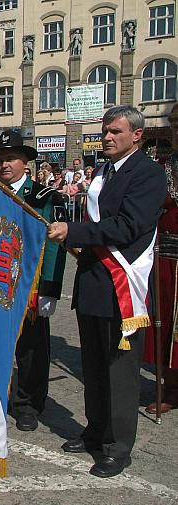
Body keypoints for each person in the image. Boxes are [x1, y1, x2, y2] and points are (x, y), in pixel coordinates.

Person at [48, 105, 166, 478]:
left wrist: (75, 232)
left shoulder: (147, 174)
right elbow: (95, 220)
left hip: (123, 285)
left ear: (137, 135)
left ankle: (118, 446)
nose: (108, 137)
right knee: (95, 365)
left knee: (120, 371)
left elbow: (128, 226)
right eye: (105, 131)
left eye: (115, 131)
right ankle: (96, 429)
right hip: (95, 281)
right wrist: (78, 242)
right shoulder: (103, 170)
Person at [0, 130, 67, 432]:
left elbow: (54, 245)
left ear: (26, 163)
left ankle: (28, 404)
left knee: (31, 349)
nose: (4, 164)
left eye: (11, 158)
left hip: (29, 284)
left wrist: (50, 289)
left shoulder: (44, 198)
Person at [144, 102, 178, 414]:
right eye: (176, 126)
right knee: (165, 321)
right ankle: (169, 386)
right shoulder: (164, 166)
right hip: (166, 257)